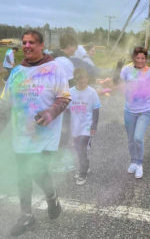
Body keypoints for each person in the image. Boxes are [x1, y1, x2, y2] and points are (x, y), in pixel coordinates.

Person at [0, 30, 71, 236]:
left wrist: (51, 111)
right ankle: (27, 216)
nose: (27, 46)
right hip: (21, 134)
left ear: (41, 45)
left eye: (31, 42)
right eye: (24, 42)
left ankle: (52, 198)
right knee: (23, 174)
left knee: (38, 172)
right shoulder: (16, 72)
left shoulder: (54, 68)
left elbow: (64, 98)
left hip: (44, 135)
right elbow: (6, 104)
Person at [120, 47, 150, 179]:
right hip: (129, 110)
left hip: (145, 110)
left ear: (146, 59)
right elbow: (119, 83)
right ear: (134, 58)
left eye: (143, 58)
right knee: (131, 139)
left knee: (138, 137)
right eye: (138, 58)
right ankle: (133, 161)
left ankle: (139, 164)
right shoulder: (126, 69)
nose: (141, 60)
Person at [67, 68, 101, 185]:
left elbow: (96, 109)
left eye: (85, 79)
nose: (83, 82)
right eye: (80, 80)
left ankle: (82, 174)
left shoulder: (92, 92)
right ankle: (85, 166)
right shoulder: (70, 92)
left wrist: (94, 126)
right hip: (75, 127)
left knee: (82, 150)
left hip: (86, 127)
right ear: (76, 80)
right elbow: (66, 110)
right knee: (78, 150)